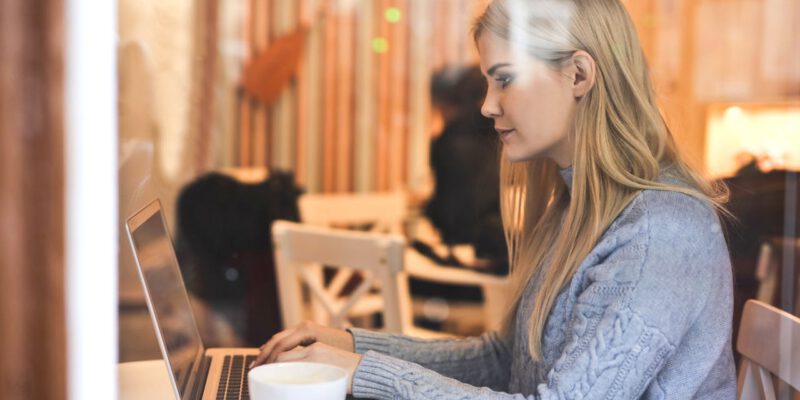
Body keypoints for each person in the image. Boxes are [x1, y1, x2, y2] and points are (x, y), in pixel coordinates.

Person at [250, 0, 737, 398]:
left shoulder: (660, 231)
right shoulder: (575, 208)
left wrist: (361, 372)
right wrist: (353, 345)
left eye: (504, 78)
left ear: (579, 75)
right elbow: (505, 361)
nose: (486, 105)